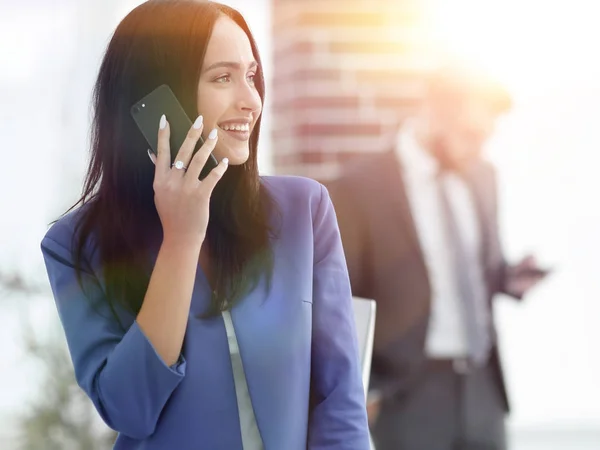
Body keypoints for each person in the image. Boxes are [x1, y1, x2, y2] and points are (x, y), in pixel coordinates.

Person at [40, 2, 370, 449]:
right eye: (222, 77)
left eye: (251, 75)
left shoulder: (303, 210)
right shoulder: (75, 246)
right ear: (158, 99)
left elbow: (339, 399)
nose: (250, 100)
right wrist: (181, 240)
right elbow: (130, 410)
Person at [328, 63, 550, 450]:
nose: (479, 148)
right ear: (433, 110)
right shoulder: (359, 186)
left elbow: (481, 268)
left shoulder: (483, 175)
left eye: (486, 137)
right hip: (405, 392)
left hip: (483, 387)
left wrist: (508, 277)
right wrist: (361, 388)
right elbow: (342, 296)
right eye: (470, 135)